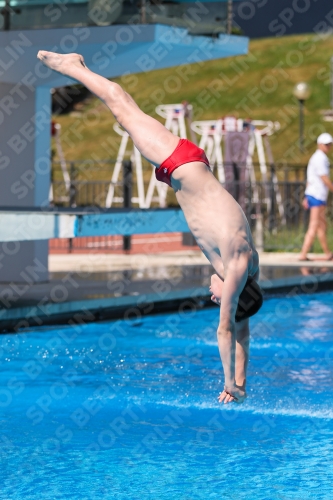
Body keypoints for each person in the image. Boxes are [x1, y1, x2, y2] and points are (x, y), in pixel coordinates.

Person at [37, 51, 263, 404]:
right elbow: (226, 328)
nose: (212, 297)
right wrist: (228, 384)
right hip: (181, 163)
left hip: (189, 166)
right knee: (121, 106)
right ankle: (73, 67)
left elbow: (242, 330)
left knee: (126, 111)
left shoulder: (248, 270)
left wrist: (242, 384)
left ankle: (77, 68)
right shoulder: (235, 264)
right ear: (233, 293)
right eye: (219, 299)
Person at [299, 133, 333, 261]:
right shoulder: (320, 158)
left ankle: (327, 253)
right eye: (326, 144)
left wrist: (306, 196)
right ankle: (303, 253)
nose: (328, 146)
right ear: (320, 144)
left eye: (330, 144)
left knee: (321, 225)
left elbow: (310, 179)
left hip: (316, 195)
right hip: (317, 196)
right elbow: (324, 177)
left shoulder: (318, 157)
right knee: (314, 225)